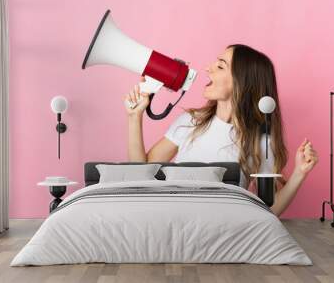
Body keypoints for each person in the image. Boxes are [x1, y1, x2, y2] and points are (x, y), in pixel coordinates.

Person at [124, 44, 318, 217]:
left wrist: (299, 173)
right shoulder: (190, 122)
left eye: (220, 66)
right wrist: (134, 117)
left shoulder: (259, 141)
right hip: (174, 221)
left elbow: (269, 209)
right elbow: (143, 172)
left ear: (242, 81)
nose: (208, 68)